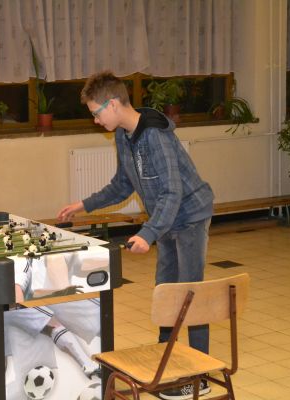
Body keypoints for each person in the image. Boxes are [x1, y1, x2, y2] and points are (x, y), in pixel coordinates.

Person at [57, 71, 214, 400]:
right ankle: (166, 360)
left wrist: (148, 233)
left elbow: (173, 191)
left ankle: (200, 375)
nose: (96, 121)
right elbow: (122, 184)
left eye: (96, 113)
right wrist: (83, 205)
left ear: (113, 104)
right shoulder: (123, 135)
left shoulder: (155, 136)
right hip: (166, 218)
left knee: (190, 295)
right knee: (165, 290)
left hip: (189, 216)